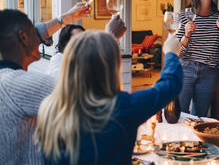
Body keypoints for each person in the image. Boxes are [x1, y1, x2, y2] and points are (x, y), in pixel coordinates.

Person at [0, 3, 126, 165]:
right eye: (35, 35)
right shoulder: (17, 85)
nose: (45, 40)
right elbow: (86, 95)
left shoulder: (5, 78)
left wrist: (67, 17)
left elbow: (39, 32)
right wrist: (110, 38)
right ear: (23, 38)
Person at [35, 31, 182, 164]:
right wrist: (171, 53)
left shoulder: (49, 109)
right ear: (111, 67)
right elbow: (170, 84)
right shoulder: (121, 107)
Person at [176, 0, 219, 117]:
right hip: (185, 69)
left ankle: (197, 140)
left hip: (209, 73)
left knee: (200, 118)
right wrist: (187, 35)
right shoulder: (184, 17)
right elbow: (176, 51)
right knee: (180, 115)